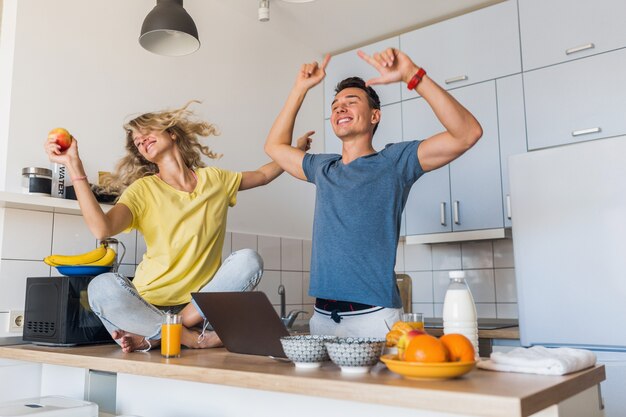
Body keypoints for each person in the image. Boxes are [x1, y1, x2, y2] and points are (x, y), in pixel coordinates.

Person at [44, 101, 312, 353]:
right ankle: (189, 338)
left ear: (172, 134)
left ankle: (159, 334)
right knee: (101, 287)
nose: (141, 139)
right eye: (137, 140)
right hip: (146, 304)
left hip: (198, 307)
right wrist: (73, 164)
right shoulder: (143, 190)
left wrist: (292, 154)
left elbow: (263, 175)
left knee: (248, 260)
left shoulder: (214, 179)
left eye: (146, 131)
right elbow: (102, 229)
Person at [264, 48, 482, 338]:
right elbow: (274, 148)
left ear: (374, 116)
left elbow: (467, 133)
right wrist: (300, 88)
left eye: (351, 102)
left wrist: (413, 76)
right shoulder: (322, 167)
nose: (340, 108)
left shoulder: (394, 162)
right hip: (323, 320)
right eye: (335, 105)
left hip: (375, 320)